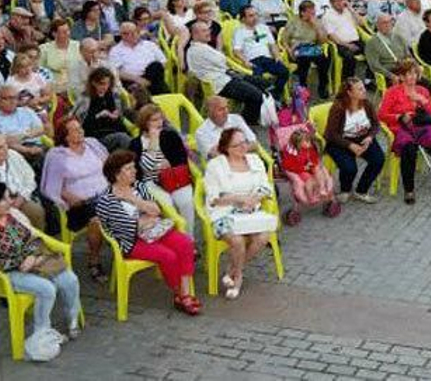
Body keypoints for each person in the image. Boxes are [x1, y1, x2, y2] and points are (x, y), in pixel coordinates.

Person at [0, 182, 82, 347]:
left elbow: (34, 237)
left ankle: (72, 319)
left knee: (69, 279)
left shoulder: (14, 215)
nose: (9, 202)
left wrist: (32, 256)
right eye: (4, 199)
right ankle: (43, 332)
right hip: (8, 274)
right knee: (46, 289)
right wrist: (21, 262)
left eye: (10, 197)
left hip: (33, 262)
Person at [94, 150, 201, 315]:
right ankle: (179, 293)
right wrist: (143, 217)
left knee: (185, 243)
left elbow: (156, 210)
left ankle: (186, 292)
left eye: (133, 167)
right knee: (168, 256)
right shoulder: (107, 200)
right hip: (131, 242)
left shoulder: (138, 186)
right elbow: (128, 228)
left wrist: (133, 200)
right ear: (116, 174)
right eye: (129, 169)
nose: (134, 171)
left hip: (155, 231)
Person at [201, 128, 278, 300]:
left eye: (244, 142)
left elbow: (265, 187)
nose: (243, 147)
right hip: (224, 212)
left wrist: (254, 197)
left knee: (263, 237)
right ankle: (238, 278)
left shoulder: (255, 160)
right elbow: (214, 198)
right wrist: (238, 198)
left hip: (251, 212)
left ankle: (233, 269)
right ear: (227, 148)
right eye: (237, 145)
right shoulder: (216, 166)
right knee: (237, 241)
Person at [40, 117, 109, 281]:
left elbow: (110, 167)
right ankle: (94, 261)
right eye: (75, 130)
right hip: (80, 205)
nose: (81, 132)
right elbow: (53, 186)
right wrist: (69, 196)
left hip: (106, 194)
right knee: (96, 219)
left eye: (80, 128)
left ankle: (127, 250)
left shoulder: (92, 145)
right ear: (65, 136)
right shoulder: (58, 156)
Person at [376, 62, 431, 204]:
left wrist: (422, 101)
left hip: (422, 127)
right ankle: (409, 190)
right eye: (409, 74)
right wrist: (398, 116)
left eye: (415, 73)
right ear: (402, 76)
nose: (413, 76)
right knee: (409, 149)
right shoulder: (392, 92)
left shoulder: (422, 91)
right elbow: (381, 115)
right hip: (401, 128)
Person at [128, 105, 197, 241]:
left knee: (186, 202)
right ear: (144, 122)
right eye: (154, 120)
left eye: (160, 119)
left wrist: (170, 164)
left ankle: (189, 239)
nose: (159, 122)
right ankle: (175, 239)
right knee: (166, 204)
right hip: (150, 182)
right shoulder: (135, 144)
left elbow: (182, 159)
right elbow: (145, 169)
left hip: (174, 177)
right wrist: (153, 143)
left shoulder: (170, 136)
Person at [184, 20, 269, 126]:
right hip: (220, 83)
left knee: (260, 82)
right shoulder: (198, 49)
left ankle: (260, 112)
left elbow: (222, 62)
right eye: (204, 31)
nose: (209, 33)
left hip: (225, 77)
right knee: (256, 95)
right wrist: (223, 58)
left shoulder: (201, 47)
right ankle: (247, 121)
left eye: (208, 30)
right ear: (195, 34)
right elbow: (222, 61)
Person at [322, 79, 385, 203]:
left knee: (378, 160)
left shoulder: (366, 104)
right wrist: (350, 145)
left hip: (362, 138)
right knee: (350, 168)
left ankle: (361, 191)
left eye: (363, 87)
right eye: (360, 89)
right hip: (340, 142)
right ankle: (345, 190)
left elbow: (375, 124)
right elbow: (332, 133)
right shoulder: (338, 107)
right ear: (350, 93)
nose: (364, 91)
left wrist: (370, 137)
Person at [279, 126, 339, 223]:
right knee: (309, 181)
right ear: (298, 144)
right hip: (298, 171)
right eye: (307, 142)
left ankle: (322, 188)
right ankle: (311, 197)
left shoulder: (309, 149)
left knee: (319, 171)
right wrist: (305, 168)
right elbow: (289, 166)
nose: (310, 144)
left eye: (309, 141)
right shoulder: (292, 153)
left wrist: (313, 165)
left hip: (307, 167)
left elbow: (314, 158)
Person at [279, 0, 331, 95]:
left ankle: (322, 87)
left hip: (312, 47)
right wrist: (289, 51)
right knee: (304, 61)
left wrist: (317, 27)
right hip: (297, 48)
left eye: (314, 12)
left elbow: (323, 41)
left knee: (324, 61)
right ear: (302, 13)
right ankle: (303, 88)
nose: (313, 15)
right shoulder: (293, 21)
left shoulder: (317, 22)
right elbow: (284, 39)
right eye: (310, 13)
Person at [73, 66, 132, 151]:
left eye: (108, 83)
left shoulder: (114, 97)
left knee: (132, 139)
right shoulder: (85, 99)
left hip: (114, 131)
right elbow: (79, 122)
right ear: (94, 83)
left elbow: (121, 120)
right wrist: (98, 115)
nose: (105, 87)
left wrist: (116, 116)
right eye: (102, 83)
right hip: (96, 137)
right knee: (122, 138)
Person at [192, 95, 257, 160]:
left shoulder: (236, 119)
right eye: (221, 109)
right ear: (210, 113)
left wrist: (227, 149)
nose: (226, 112)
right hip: (223, 167)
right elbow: (214, 154)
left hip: (248, 161)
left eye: (226, 107)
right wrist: (242, 146)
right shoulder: (201, 132)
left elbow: (254, 143)